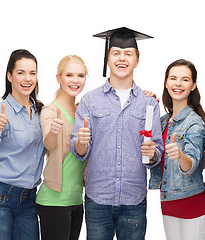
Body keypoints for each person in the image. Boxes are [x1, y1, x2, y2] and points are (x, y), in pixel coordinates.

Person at [70, 27, 164, 240]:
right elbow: (79, 150)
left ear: (137, 61)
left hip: (133, 199)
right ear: (108, 58)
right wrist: (81, 142)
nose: (122, 58)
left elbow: (155, 151)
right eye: (116, 53)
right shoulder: (89, 101)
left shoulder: (149, 103)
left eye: (128, 54)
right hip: (98, 199)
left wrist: (153, 153)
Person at [0, 49, 45, 240]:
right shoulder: (1, 110)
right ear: (9, 76)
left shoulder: (41, 110)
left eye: (32, 73)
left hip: (28, 199)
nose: (27, 79)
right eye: (21, 72)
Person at [149, 59, 205, 240]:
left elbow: (192, 164)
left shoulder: (194, 123)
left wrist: (180, 155)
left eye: (185, 79)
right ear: (166, 83)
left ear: (193, 85)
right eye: (173, 78)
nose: (178, 83)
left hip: (194, 206)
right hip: (168, 205)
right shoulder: (161, 122)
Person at [35, 55, 88, 240]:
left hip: (76, 200)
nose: (75, 80)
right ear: (58, 78)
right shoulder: (50, 111)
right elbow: (48, 143)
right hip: (53, 201)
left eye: (80, 75)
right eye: (69, 75)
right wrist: (53, 132)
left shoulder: (84, 111)